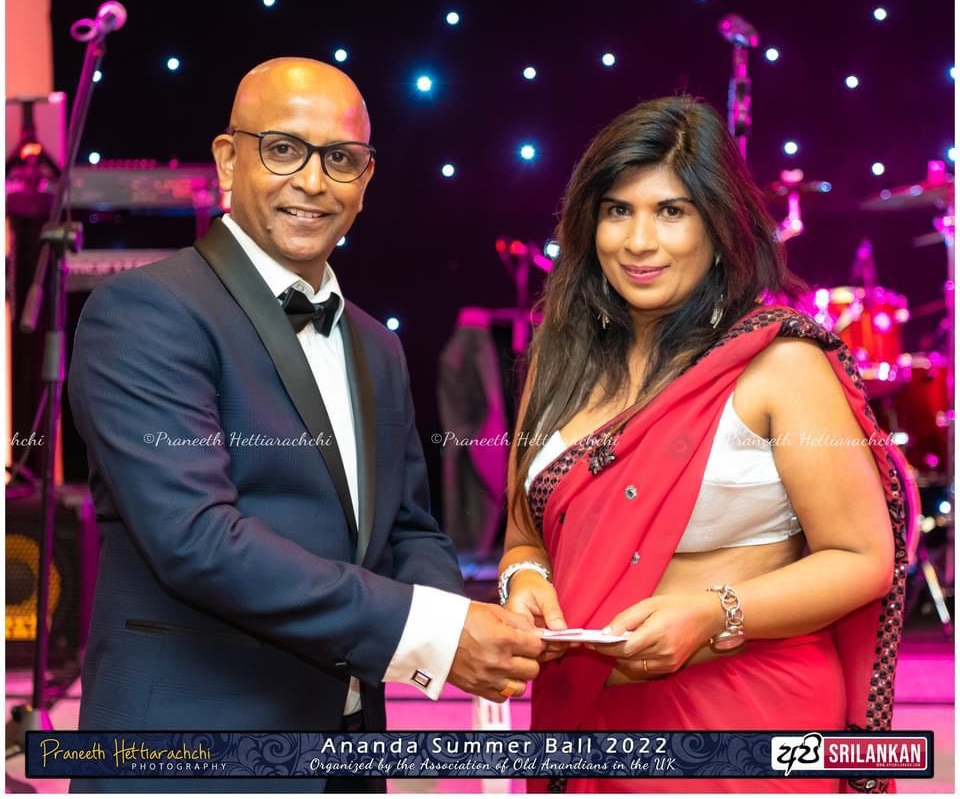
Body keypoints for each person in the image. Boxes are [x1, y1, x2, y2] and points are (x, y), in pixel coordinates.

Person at [67, 57, 543, 793]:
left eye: (341, 159)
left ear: (366, 180)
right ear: (229, 159)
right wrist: (434, 633)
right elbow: (197, 540)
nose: (314, 182)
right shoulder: (146, 311)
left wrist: (467, 626)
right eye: (284, 149)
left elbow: (408, 530)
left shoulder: (377, 344)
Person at [499, 96, 905, 794]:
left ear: (719, 226)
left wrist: (715, 612)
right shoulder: (557, 362)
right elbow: (523, 538)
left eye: (671, 211)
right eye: (618, 210)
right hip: (586, 728)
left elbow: (863, 559)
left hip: (747, 722)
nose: (638, 241)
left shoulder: (780, 365)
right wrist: (525, 581)